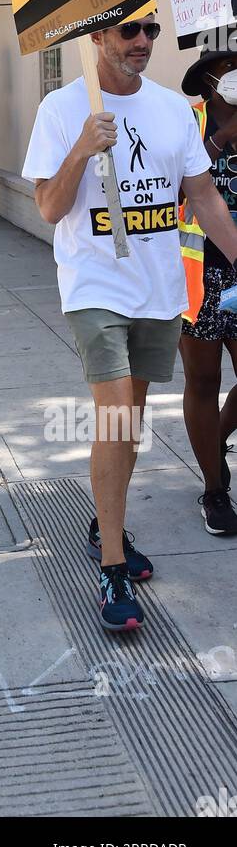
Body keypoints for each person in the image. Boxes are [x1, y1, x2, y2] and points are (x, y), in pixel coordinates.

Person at [22, 17, 237, 633]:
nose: (141, 41)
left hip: (158, 290)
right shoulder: (63, 110)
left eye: (148, 29)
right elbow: (48, 207)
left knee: (131, 421)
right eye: (126, 31)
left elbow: (203, 197)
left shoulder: (172, 111)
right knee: (115, 413)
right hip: (95, 287)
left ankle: (103, 521)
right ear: (96, 37)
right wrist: (82, 150)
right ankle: (112, 566)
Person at [179, 47, 237, 536]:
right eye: (228, 69)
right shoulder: (188, 121)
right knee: (203, 381)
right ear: (207, 82)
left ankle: (213, 440)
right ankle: (215, 491)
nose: (236, 74)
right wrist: (222, 139)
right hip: (201, 275)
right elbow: (171, 191)